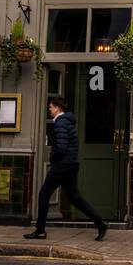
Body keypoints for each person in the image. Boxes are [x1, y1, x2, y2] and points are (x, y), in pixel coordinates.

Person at [25, 96, 107, 240]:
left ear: (57, 108)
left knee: (44, 194)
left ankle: (40, 231)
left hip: (62, 165)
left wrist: (52, 157)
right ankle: (100, 223)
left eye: (50, 107)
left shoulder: (60, 123)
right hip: (71, 164)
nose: (49, 110)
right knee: (75, 198)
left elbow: (61, 148)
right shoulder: (67, 122)